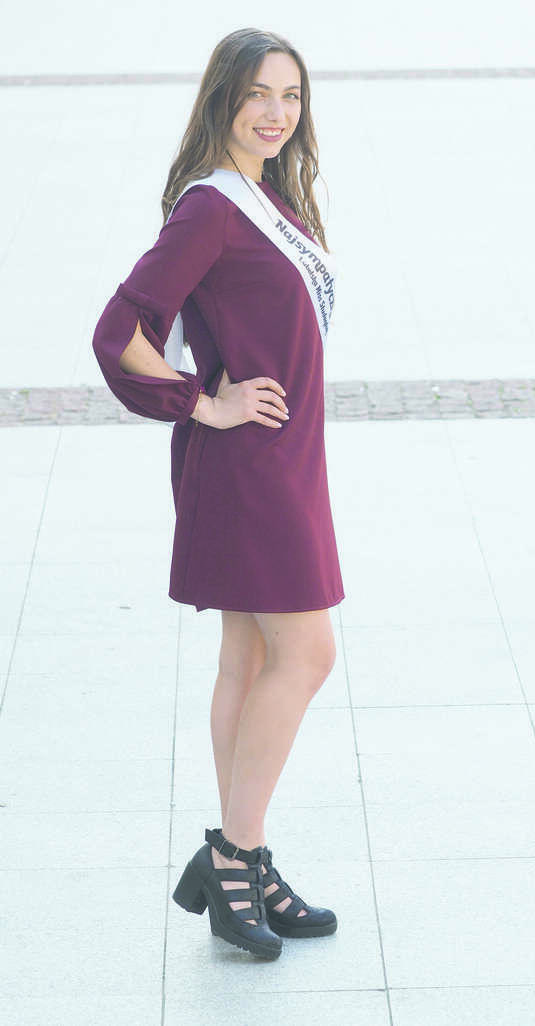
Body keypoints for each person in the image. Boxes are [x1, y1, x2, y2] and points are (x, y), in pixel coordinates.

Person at [91, 27, 344, 961]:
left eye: (290, 95)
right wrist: (204, 401)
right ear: (223, 100)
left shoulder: (268, 196)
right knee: (306, 653)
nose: (276, 113)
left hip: (283, 459)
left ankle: (244, 860)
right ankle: (233, 857)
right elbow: (118, 329)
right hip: (249, 466)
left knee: (250, 654)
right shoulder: (211, 207)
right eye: (257, 95)